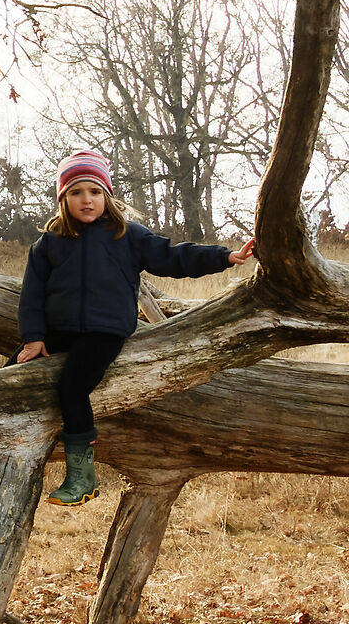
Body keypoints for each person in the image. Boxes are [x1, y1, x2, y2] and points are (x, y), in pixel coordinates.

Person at [16, 149, 254, 506]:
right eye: (77, 192)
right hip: (60, 331)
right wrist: (33, 338)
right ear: (63, 198)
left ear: (108, 197)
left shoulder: (125, 235)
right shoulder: (49, 244)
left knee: (72, 386)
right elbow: (32, 294)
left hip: (104, 331)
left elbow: (175, 256)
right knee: (13, 375)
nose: (87, 200)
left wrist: (224, 256)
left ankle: (82, 477)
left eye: (95, 192)